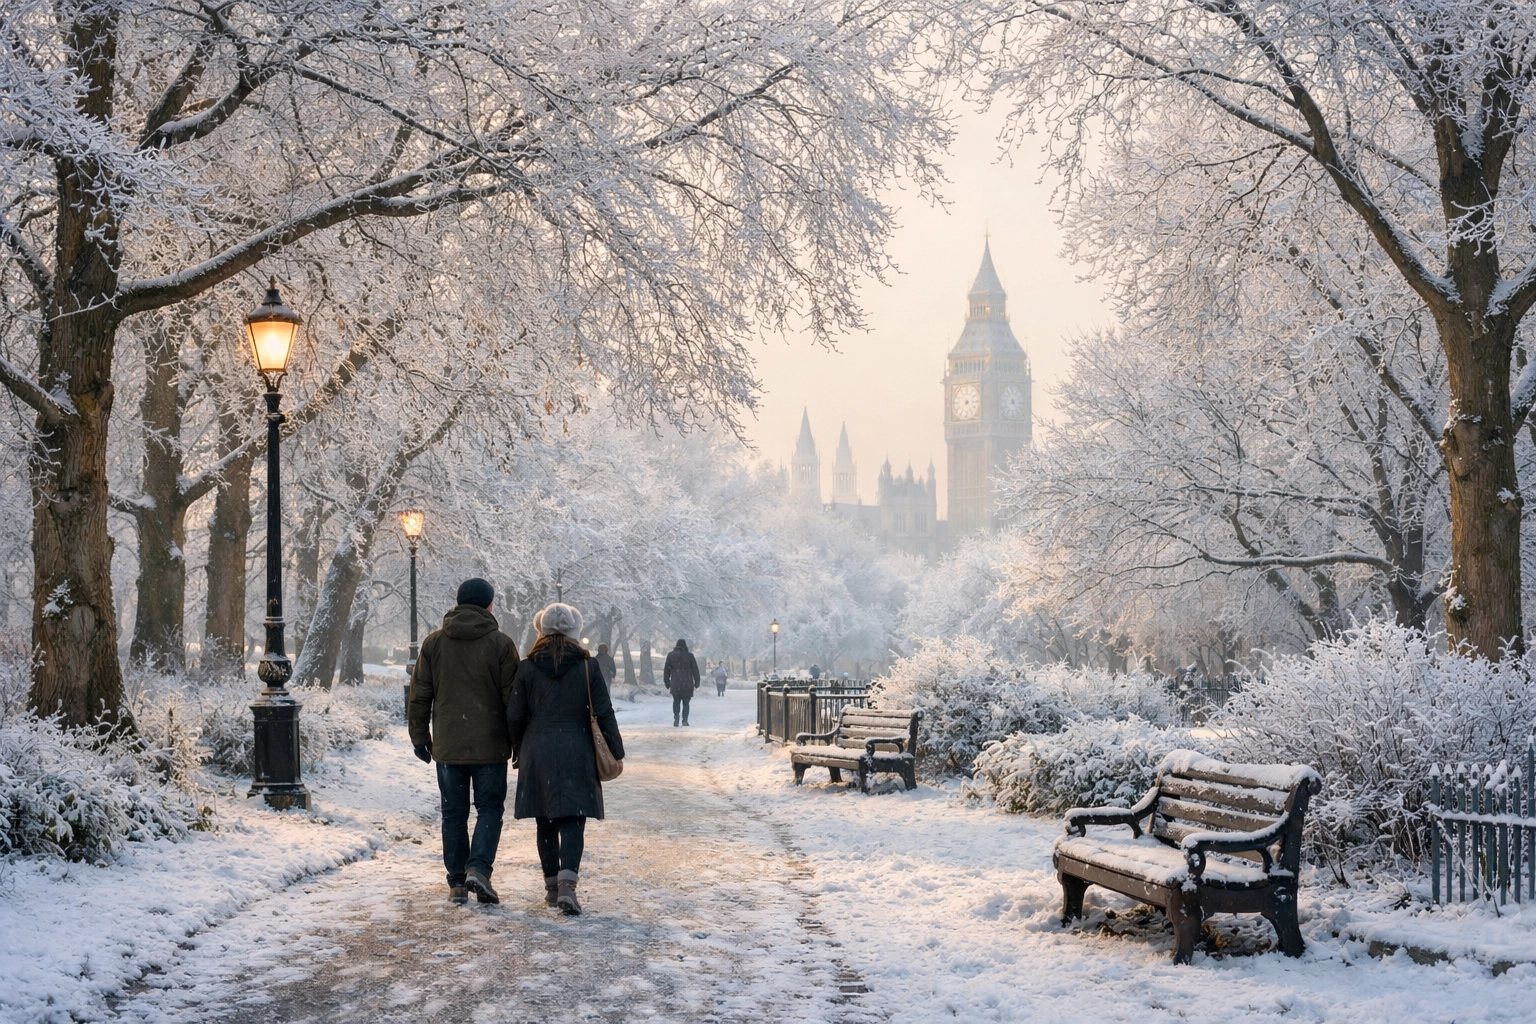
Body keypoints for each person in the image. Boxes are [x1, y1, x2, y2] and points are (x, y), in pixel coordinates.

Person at [506, 603, 624, 915]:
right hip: (578, 748)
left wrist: (518, 748)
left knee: (544, 820)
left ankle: (550, 886)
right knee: (573, 819)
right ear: (574, 631)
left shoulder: (527, 667)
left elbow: (514, 715)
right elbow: (604, 711)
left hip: (538, 749)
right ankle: (567, 886)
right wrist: (616, 750)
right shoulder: (587, 667)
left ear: (541, 630)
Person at [408, 578, 519, 906]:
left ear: (457, 603)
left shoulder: (434, 644)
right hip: (490, 745)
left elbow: (419, 695)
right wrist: (519, 741)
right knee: (489, 808)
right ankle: (479, 869)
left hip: (448, 745)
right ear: (490, 605)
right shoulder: (501, 644)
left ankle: (457, 882)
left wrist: (419, 736)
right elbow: (513, 700)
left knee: (453, 812)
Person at [663, 638, 700, 726]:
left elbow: (667, 670)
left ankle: (676, 717)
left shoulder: (671, 655)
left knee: (676, 701)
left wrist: (667, 682)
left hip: (675, 681)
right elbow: (695, 670)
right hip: (687, 682)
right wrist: (697, 681)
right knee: (686, 702)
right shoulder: (690, 656)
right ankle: (685, 720)